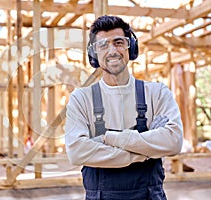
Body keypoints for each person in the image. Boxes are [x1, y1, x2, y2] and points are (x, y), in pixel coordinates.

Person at [64, 15, 183, 200]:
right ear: (94, 53)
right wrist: (144, 151)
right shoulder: (81, 99)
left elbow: (173, 141)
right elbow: (77, 152)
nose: (112, 50)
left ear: (131, 48)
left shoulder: (157, 93)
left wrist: (107, 138)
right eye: (103, 45)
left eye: (119, 42)